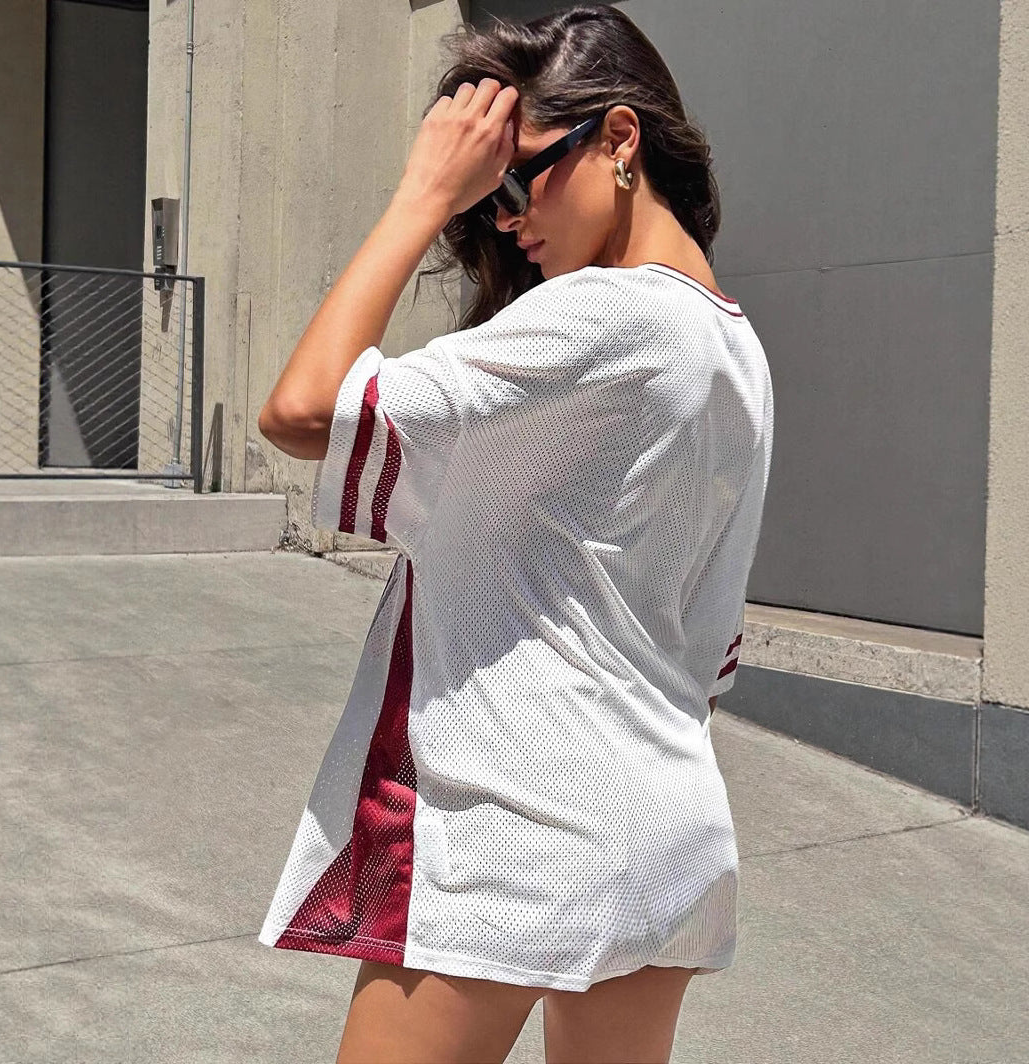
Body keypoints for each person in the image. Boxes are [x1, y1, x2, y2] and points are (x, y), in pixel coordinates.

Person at [256, 5, 773, 1062]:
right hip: (667, 831)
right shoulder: (734, 348)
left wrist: (421, 193)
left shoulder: (607, 316)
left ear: (619, 139)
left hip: (517, 826)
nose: (501, 217)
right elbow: (709, 644)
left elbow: (303, 408)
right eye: (482, 193)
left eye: (518, 176)